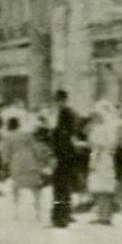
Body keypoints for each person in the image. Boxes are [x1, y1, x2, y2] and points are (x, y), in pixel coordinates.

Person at [0, 116, 44, 222]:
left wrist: (4, 166)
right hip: (30, 160)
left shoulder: (8, 137)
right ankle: (38, 211)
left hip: (17, 163)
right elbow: (36, 149)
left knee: (16, 188)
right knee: (35, 187)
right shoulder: (27, 134)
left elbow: (5, 155)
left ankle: (16, 212)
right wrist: (39, 161)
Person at [48, 90, 78, 228]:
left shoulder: (65, 114)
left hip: (62, 156)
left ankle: (61, 216)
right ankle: (63, 214)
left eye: (58, 100)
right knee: (62, 187)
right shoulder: (67, 113)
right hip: (66, 155)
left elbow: (62, 136)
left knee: (60, 187)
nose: (57, 103)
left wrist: (55, 154)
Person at [86, 104, 119, 225]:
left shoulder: (100, 129)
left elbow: (98, 146)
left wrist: (94, 162)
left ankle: (103, 216)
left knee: (102, 188)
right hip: (106, 158)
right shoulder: (107, 128)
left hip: (101, 159)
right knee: (103, 189)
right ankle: (103, 215)